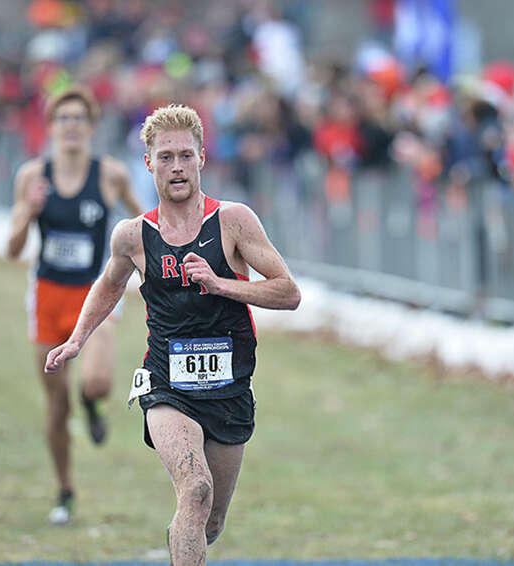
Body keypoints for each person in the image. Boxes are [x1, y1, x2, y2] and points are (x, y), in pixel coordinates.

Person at [45, 104, 300, 565]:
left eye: (185, 155)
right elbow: (107, 286)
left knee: (211, 520)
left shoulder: (233, 221)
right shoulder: (133, 235)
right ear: (148, 162)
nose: (177, 167)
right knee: (195, 488)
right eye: (165, 157)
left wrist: (222, 284)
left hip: (229, 388)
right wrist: (78, 339)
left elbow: (289, 293)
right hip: (166, 385)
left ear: (202, 157)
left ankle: (182, 540)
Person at [7, 85, 144, 524]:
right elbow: (11, 249)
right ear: (50, 127)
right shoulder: (33, 176)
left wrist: (151, 269)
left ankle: (93, 403)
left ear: (91, 127)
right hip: (47, 295)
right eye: (62, 118)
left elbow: (145, 224)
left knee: (98, 382)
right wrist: (29, 212)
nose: (71, 126)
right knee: (55, 405)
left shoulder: (111, 175)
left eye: (78, 119)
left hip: (95, 293)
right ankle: (65, 489)